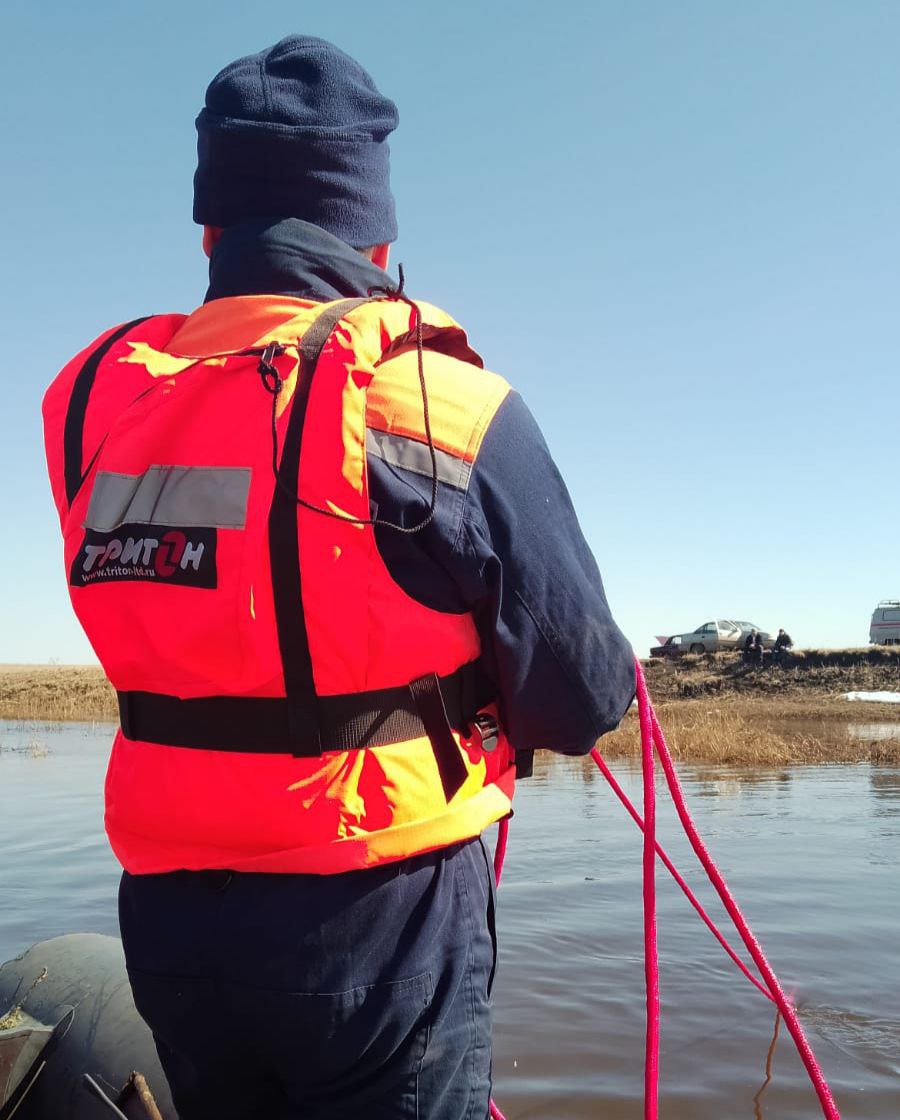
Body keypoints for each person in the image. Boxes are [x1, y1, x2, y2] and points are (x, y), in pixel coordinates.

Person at [41, 36, 634, 1120]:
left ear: (210, 227)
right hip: (381, 913)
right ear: (380, 233)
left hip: (168, 913)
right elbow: (584, 696)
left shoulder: (87, 402)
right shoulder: (442, 403)